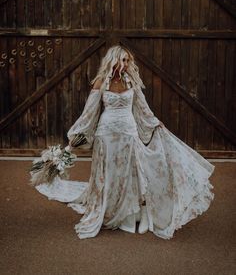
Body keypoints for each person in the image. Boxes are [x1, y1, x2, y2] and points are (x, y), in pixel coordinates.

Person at [34, 44, 215, 240]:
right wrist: (76, 137)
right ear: (113, 61)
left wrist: (155, 123)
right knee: (110, 174)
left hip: (129, 133)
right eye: (123, 60)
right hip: (106, 135)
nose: (126, 64)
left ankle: (137, 212)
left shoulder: (132, 83)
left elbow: (143, 109)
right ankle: (117, 212)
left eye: (128, 60)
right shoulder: (101, 82)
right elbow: (89, 113)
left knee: (134, 172)